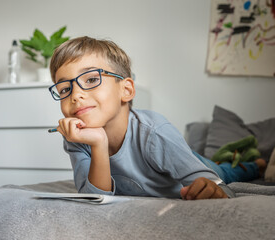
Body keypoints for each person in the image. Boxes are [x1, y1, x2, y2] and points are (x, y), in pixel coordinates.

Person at [48, 36, 267, 200]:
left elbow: (217, 186)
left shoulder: (154, 132)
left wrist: (213, 187)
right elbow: (92, 198)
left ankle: (255, 165)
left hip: (196, 161)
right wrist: (98, 143)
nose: (76, 95)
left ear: (126, 90)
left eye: (90, 79)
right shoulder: (76, 138)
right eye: (64, 88)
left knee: (226, 171)